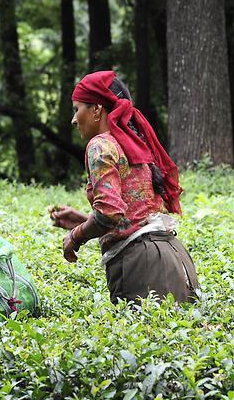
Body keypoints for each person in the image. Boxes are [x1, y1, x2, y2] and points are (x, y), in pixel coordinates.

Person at [48, 70, 200, 303]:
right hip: (175, 259)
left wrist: (75, 236)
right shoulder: (133, 143)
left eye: (77, 109)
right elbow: (133, 214)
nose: (74, 119)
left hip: (142, 266)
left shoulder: (100, 145)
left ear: (97, 109)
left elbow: (109, 213)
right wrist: (83, 220)